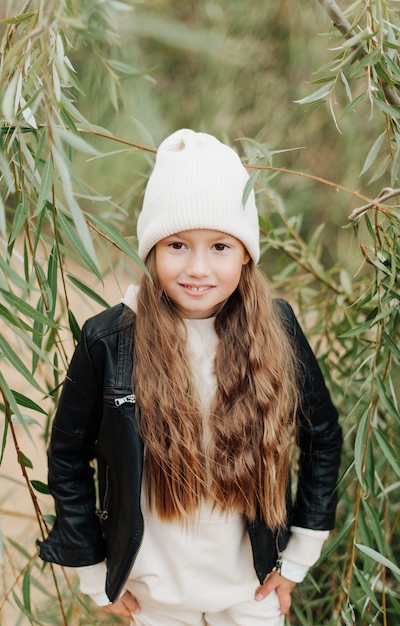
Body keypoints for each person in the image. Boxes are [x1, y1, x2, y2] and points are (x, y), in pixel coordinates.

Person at [37, 129, 342, 625]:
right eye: (177, 244)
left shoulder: (277, 329)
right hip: (155, 597)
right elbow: (69, 459)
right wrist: (96, 576)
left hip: (252, 590)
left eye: (220, 245)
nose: (198, 267)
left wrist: (298, 559)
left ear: (246, 253)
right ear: (152, 250)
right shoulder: (110, 339)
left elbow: (322, 439)